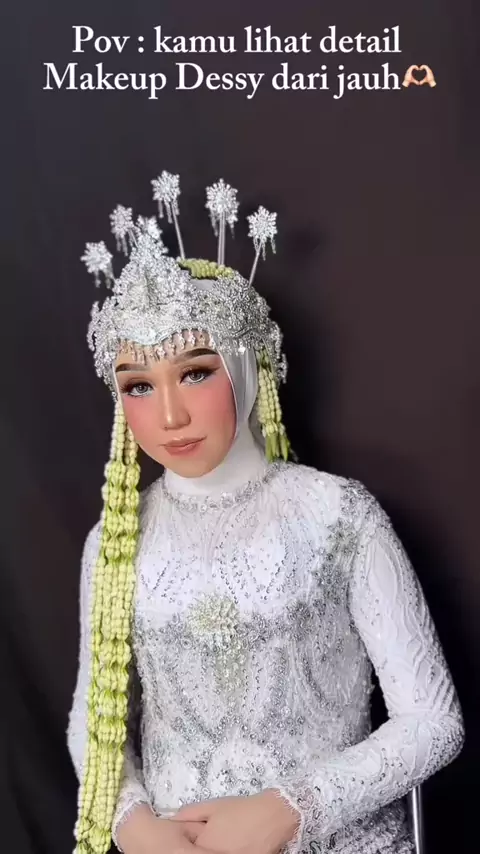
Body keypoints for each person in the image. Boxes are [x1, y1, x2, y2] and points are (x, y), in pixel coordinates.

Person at [67, 172, 464, 854]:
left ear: (247, 368)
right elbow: (90, 717)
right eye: (138, 386)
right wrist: (134, 825)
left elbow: (433, 720)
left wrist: (291, 810)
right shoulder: (115, 541)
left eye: (196, 373)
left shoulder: (337, 515)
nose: (169, 415)